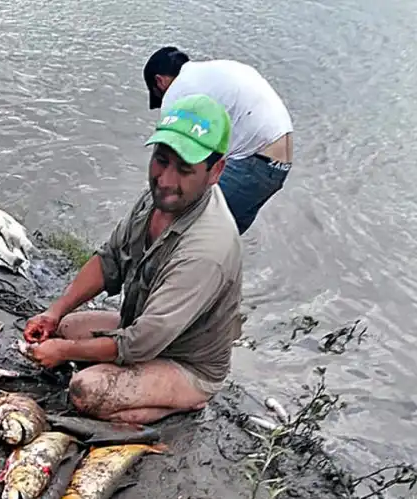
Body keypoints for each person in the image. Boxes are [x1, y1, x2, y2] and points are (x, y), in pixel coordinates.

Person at [23, 94, 242, 425]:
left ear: (216, 171)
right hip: (140, 324)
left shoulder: (207, 249)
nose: (166, 180)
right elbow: (109, 259)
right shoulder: (159, 197)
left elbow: (138, 343)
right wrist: (54, 313)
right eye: (161, 160)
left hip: (185, 363)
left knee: (85, 390)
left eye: (185, 169)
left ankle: (186, 402)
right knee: (63, 329)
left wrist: (65, 353)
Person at [143, 47, 293, 234]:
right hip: (278, 166)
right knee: (225, 239)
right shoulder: (215, 71)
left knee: (184, 227)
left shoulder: (176, 92)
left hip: (252, 162)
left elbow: (169, 157)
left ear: (159, 81)